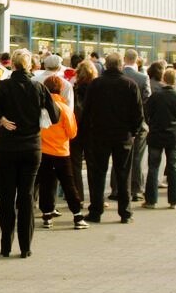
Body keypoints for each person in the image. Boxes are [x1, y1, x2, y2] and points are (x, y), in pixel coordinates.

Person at [0, 48, 59, 258]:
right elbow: (55, 116)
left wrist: (1, 118)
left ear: (13, 65)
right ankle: (26, 247)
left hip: (7, 148)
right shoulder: (39, 88)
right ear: (30, 66)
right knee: (26, 197)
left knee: (7, 197)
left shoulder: (3, 86)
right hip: (31, 148)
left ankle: (6, 246)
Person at [82, 51, 144, 224]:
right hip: (123, 136)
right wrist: (133, 132)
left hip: (99, 135)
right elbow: (138, 114)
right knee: (123, 173)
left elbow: (87, 111)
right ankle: (125, 212)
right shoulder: (130, 85)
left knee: (98, 173)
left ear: (106, 65)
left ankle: (96, 210)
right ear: (121, 65)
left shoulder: (96, 84)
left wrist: (87, 133)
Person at [38, 76, 89, 230]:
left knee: (45, 184)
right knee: (68, 184)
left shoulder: (40, 108)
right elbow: (73, 133)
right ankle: (77, 215)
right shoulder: (65, 108)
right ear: (60, 89)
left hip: (43, 151)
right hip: (61, 152)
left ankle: (47, 215)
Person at [143, 68, 176, 209]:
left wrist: (152, 124)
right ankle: (174, 200)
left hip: (156, 134)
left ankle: (151, 200)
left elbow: (147, 113)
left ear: (163, 79)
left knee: (153, 167)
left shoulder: (155, 97)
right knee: (173, 167)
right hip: (173, 135)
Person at [115, 49, 151, 203]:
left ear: (124, 59)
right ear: (137, 60)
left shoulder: (118, 76)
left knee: (118, 157)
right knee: (137, 157)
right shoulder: (143, 78)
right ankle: (136, 190)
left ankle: (116, 189)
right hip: (138, 122)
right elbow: (147, 100)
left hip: (118, 122)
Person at [71, 59, 98, 203]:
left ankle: (78, 197)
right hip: (92, 130)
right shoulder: (97, 89)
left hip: (76, 129)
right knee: (93, 165)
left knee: (75, 165)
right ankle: (95, 197)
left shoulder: (74, 88)